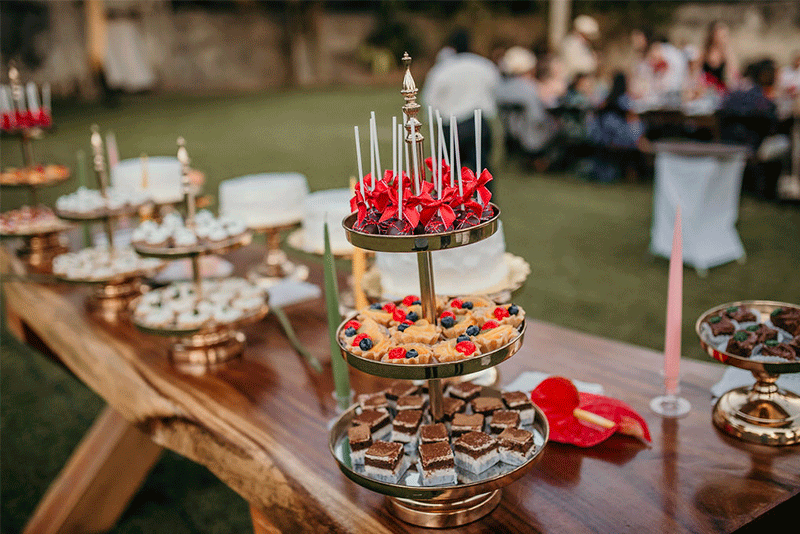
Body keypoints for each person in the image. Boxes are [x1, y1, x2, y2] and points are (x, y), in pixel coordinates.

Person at [422, 28, 500, 178]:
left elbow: (430, 99)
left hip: (451, 127)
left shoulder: (442, 69)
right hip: (478, 124)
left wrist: (433, 120)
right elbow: (495, 88)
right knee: (482, 175)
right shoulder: (484, 65)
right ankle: (487, 201)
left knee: (447, 178)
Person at [495, 50, 563, 171]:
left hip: (509, 130)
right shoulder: (528, 88)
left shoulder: (502, 86)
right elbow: (537, 117)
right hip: (529, 134)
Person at [587, 72, 647, 182]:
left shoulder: (606, 99)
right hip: (620, 139)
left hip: (604, 138)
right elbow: (633, 118)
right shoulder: (625, 99)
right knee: (641, 130)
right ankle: (639, 172)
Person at [701, 20, 739, 92]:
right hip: (706, 91)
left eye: (724, 35)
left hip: (722, 91)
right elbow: (696, 74)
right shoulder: (705, 52)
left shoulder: (728, 53)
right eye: (719, 34)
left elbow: (732, 78)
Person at [560, 15, 600, 81]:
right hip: (570, 81)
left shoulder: (583, 45)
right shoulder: (570, 43)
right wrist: (593, 61)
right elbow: (575, 66)